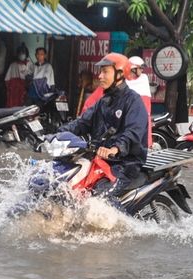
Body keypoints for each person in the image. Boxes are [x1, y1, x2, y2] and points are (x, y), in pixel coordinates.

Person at [57, 53, 148, 209]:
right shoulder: (103, 102)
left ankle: (124, 230)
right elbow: (81, 123)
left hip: (124, 164)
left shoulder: (134, 101)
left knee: (98, 200)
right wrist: (58, 134)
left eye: (105, 71)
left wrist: (115, 148)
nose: (100, 76)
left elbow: (133, 132)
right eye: (101, 72)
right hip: (100, 160)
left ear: (119, 74)